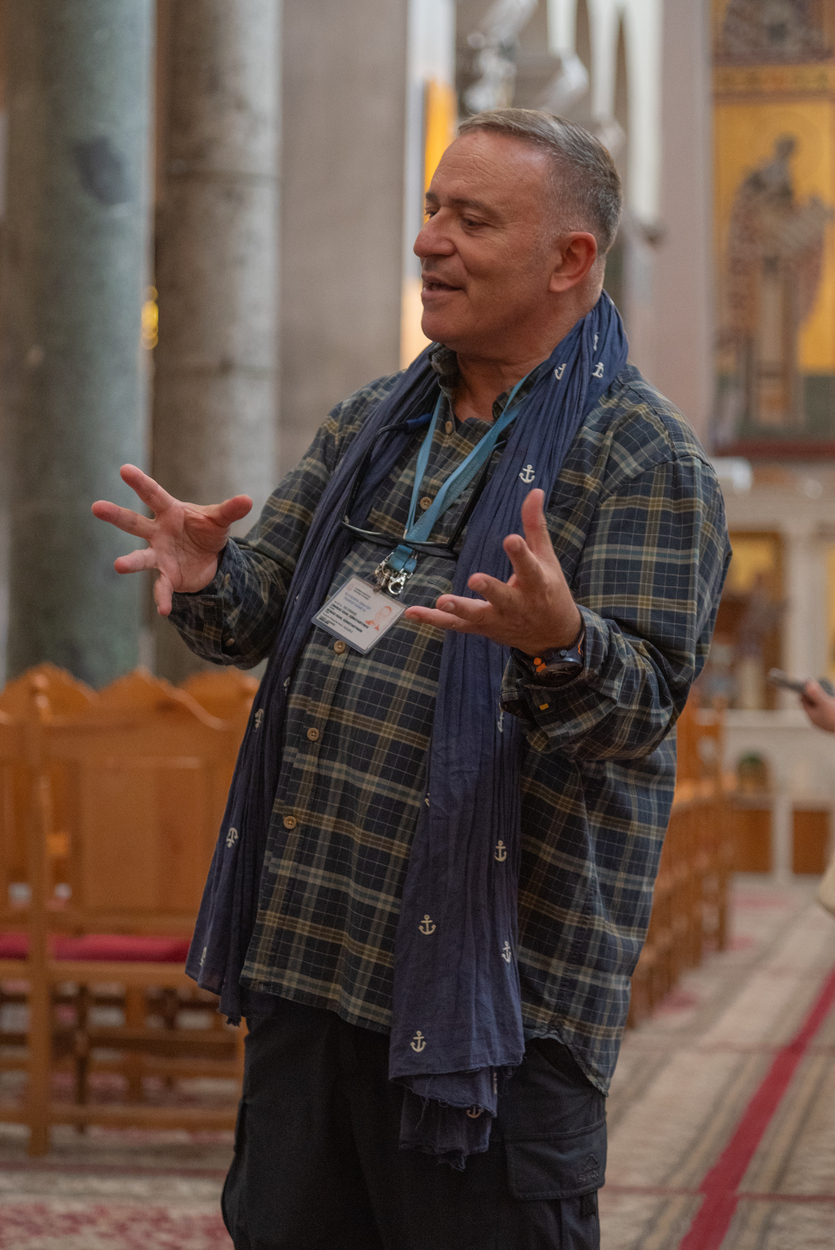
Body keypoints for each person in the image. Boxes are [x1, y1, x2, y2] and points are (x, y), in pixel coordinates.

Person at [92, 109, 730, 1250]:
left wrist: (558, 640)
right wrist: (210, 572)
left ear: (569, 259)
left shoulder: (641, 456)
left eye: (471, 220)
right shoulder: (375, 423)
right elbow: (257, 613)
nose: (429, 239)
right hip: (311, 956)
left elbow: (637, 713)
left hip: (494, 1005)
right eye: (433, 208)